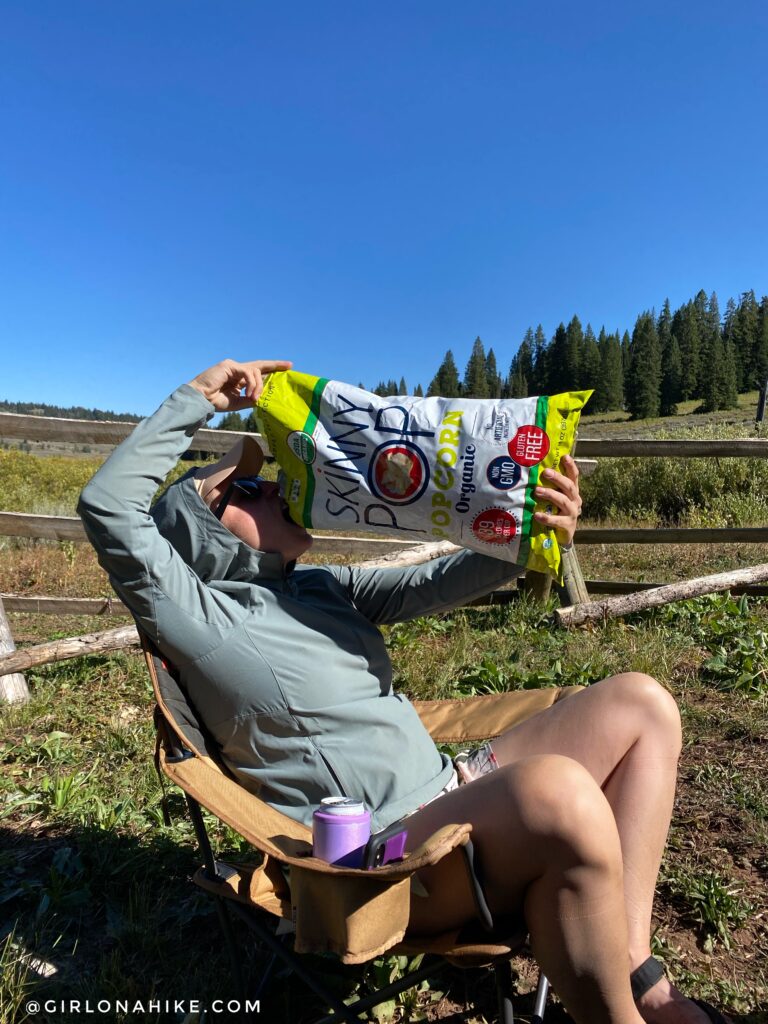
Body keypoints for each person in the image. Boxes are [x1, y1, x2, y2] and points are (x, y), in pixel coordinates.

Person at [78, 359, 726, 1024]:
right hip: (386, 858)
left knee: (642, 703)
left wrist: (534, 529)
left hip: (454, 793)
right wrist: (199, 399)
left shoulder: (316, 588)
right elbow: (106, 506)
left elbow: (431, 585)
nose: (271, 486)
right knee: (559, 789)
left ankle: (634, 967)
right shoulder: (201, 618)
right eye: (243, 488)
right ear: (202, 533)